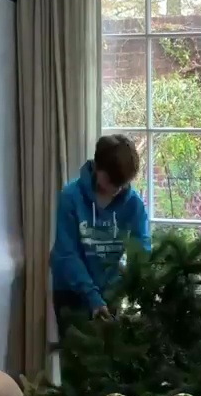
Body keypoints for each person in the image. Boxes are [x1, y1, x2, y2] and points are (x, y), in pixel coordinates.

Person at [50, 134, 150, 337]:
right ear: (97, 167)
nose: (118, 188)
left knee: (107, 361)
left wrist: (139, 286)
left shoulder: (133, 204)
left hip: (109, 292)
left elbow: (142, 248)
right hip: (72, 293)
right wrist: (92, 297)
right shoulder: (71, 197)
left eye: (122, 183)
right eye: (113, 181)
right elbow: (67, 255)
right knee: (76, 360)